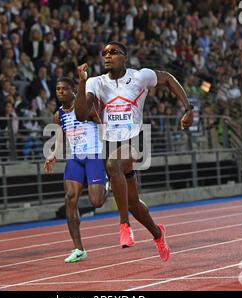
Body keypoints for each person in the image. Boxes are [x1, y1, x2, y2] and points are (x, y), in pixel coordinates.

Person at [75, 41, 194, 261]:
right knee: (133, 204)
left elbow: (167, 77)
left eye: (113, 52)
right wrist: (82, 84)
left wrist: (188, 108)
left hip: (135, 140)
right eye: (104, 53)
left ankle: (124, 226)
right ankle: (158, 234)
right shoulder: (95, 82)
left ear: (125, 56)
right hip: (110, 143)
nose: (107, 56)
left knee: (113, 165)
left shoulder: (140, 76)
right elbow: (81, 114)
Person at [44, 77, 107, 263]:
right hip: (75, 159)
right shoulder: (58, 115)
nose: (60, 91)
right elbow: (60, 140)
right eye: (57, 89)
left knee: (96, 202)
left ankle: (107, 183)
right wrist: (53, 155)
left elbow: (105, 129)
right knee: (70, 199)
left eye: (64, 88)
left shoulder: (87, 108)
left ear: (74, 90)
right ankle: (78, 249)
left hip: (94, 156)